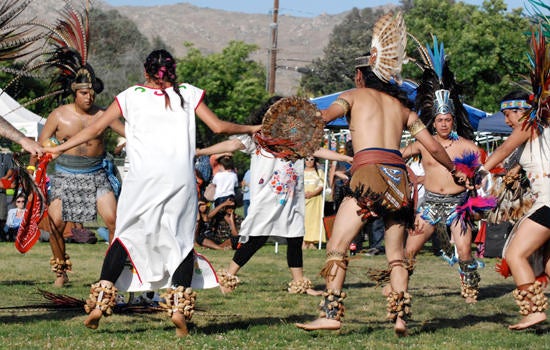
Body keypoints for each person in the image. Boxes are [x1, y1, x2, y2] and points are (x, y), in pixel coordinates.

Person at [44, 49, 259, 337]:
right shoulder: (187, 94)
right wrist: (253, 127)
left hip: (142, 181)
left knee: (125, 237)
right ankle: (179, 312)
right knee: (181, 241)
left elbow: (96, 128)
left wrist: (57, 148)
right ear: (172, 70)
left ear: (146, 72)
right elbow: (219, 127)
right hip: (179, 181)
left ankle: (98, 304)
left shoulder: (130, 95)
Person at [295, 13, 466, 335]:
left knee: (337, 246)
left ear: (361, 76)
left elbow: (323, 117)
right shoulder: (404, 110)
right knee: (396, 255)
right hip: (399, 180)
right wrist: (454, 170)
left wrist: (297, 123)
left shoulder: (353, 96)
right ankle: (400, 317)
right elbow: (433, 146)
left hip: (368, 173)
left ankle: (331, 313)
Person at [197, 96, 353, 297]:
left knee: (296, 238)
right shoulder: (258, 137)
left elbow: (318, 150)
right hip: (267, 200)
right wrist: (201, 151)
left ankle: (299, 283)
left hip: (292, 200)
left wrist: (346, 157)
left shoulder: (297, 140)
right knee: (257, 239)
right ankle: (228, 276)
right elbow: (231, 145)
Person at [399, 36, 482, 304]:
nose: (444, 124)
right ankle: (401, 288)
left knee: (465, 250)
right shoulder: (424, 144)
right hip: (430, 203)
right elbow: (398, 156)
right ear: (432, 122)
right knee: (409, 250)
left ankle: (470, 288)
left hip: (458, 205)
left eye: (448, 119)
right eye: (439, 120)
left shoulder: (467, 146)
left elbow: (482, 172)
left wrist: (473, 180)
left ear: (453, 119)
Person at [29, 55, 123, 288]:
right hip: (65, 175)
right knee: (55, 225)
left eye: (92, 94)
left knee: (114, 221)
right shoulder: (59, 115)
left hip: (97, 174)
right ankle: (61, 271)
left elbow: (131, 132)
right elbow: (42, 144)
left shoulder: (103, 115)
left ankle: (110, 275)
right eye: (84, 93)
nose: (89, 97)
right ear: (75, 92)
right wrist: (33, 169)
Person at [478, 86, 550, 329]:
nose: (506, 121)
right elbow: (511, 161)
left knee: (515, 254)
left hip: (548, 202)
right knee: (548, 262)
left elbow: (503, 149)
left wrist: (479, 171)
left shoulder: (528, 125)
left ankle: (533, 311)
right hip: (545, 202)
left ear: (521, 112)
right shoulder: (536, 133)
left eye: (508, 115)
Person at [303, 156, 326, 249]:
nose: (309, 161)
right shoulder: (300, 172)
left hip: (315, 200)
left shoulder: (319, 172)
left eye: (311, 159)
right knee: (304, 220)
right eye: (307, 159)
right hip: (303, 200)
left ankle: (312, 242)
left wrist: (313, 193)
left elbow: (322, 185)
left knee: (314, 220)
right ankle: (304, 241)